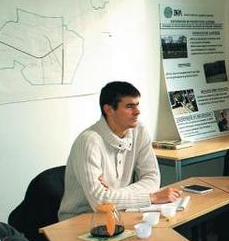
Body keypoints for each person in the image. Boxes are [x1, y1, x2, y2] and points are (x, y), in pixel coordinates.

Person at [59, 81, 180, 220]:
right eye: (129, 106)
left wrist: (113, 193)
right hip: (82, 219)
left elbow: (152, 179)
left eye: (137, 105)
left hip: (119, 212)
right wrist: (151, 197)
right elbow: (100, 203)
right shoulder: (89, 141)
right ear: (109, 110)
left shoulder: (139, 131)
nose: (137, 112)